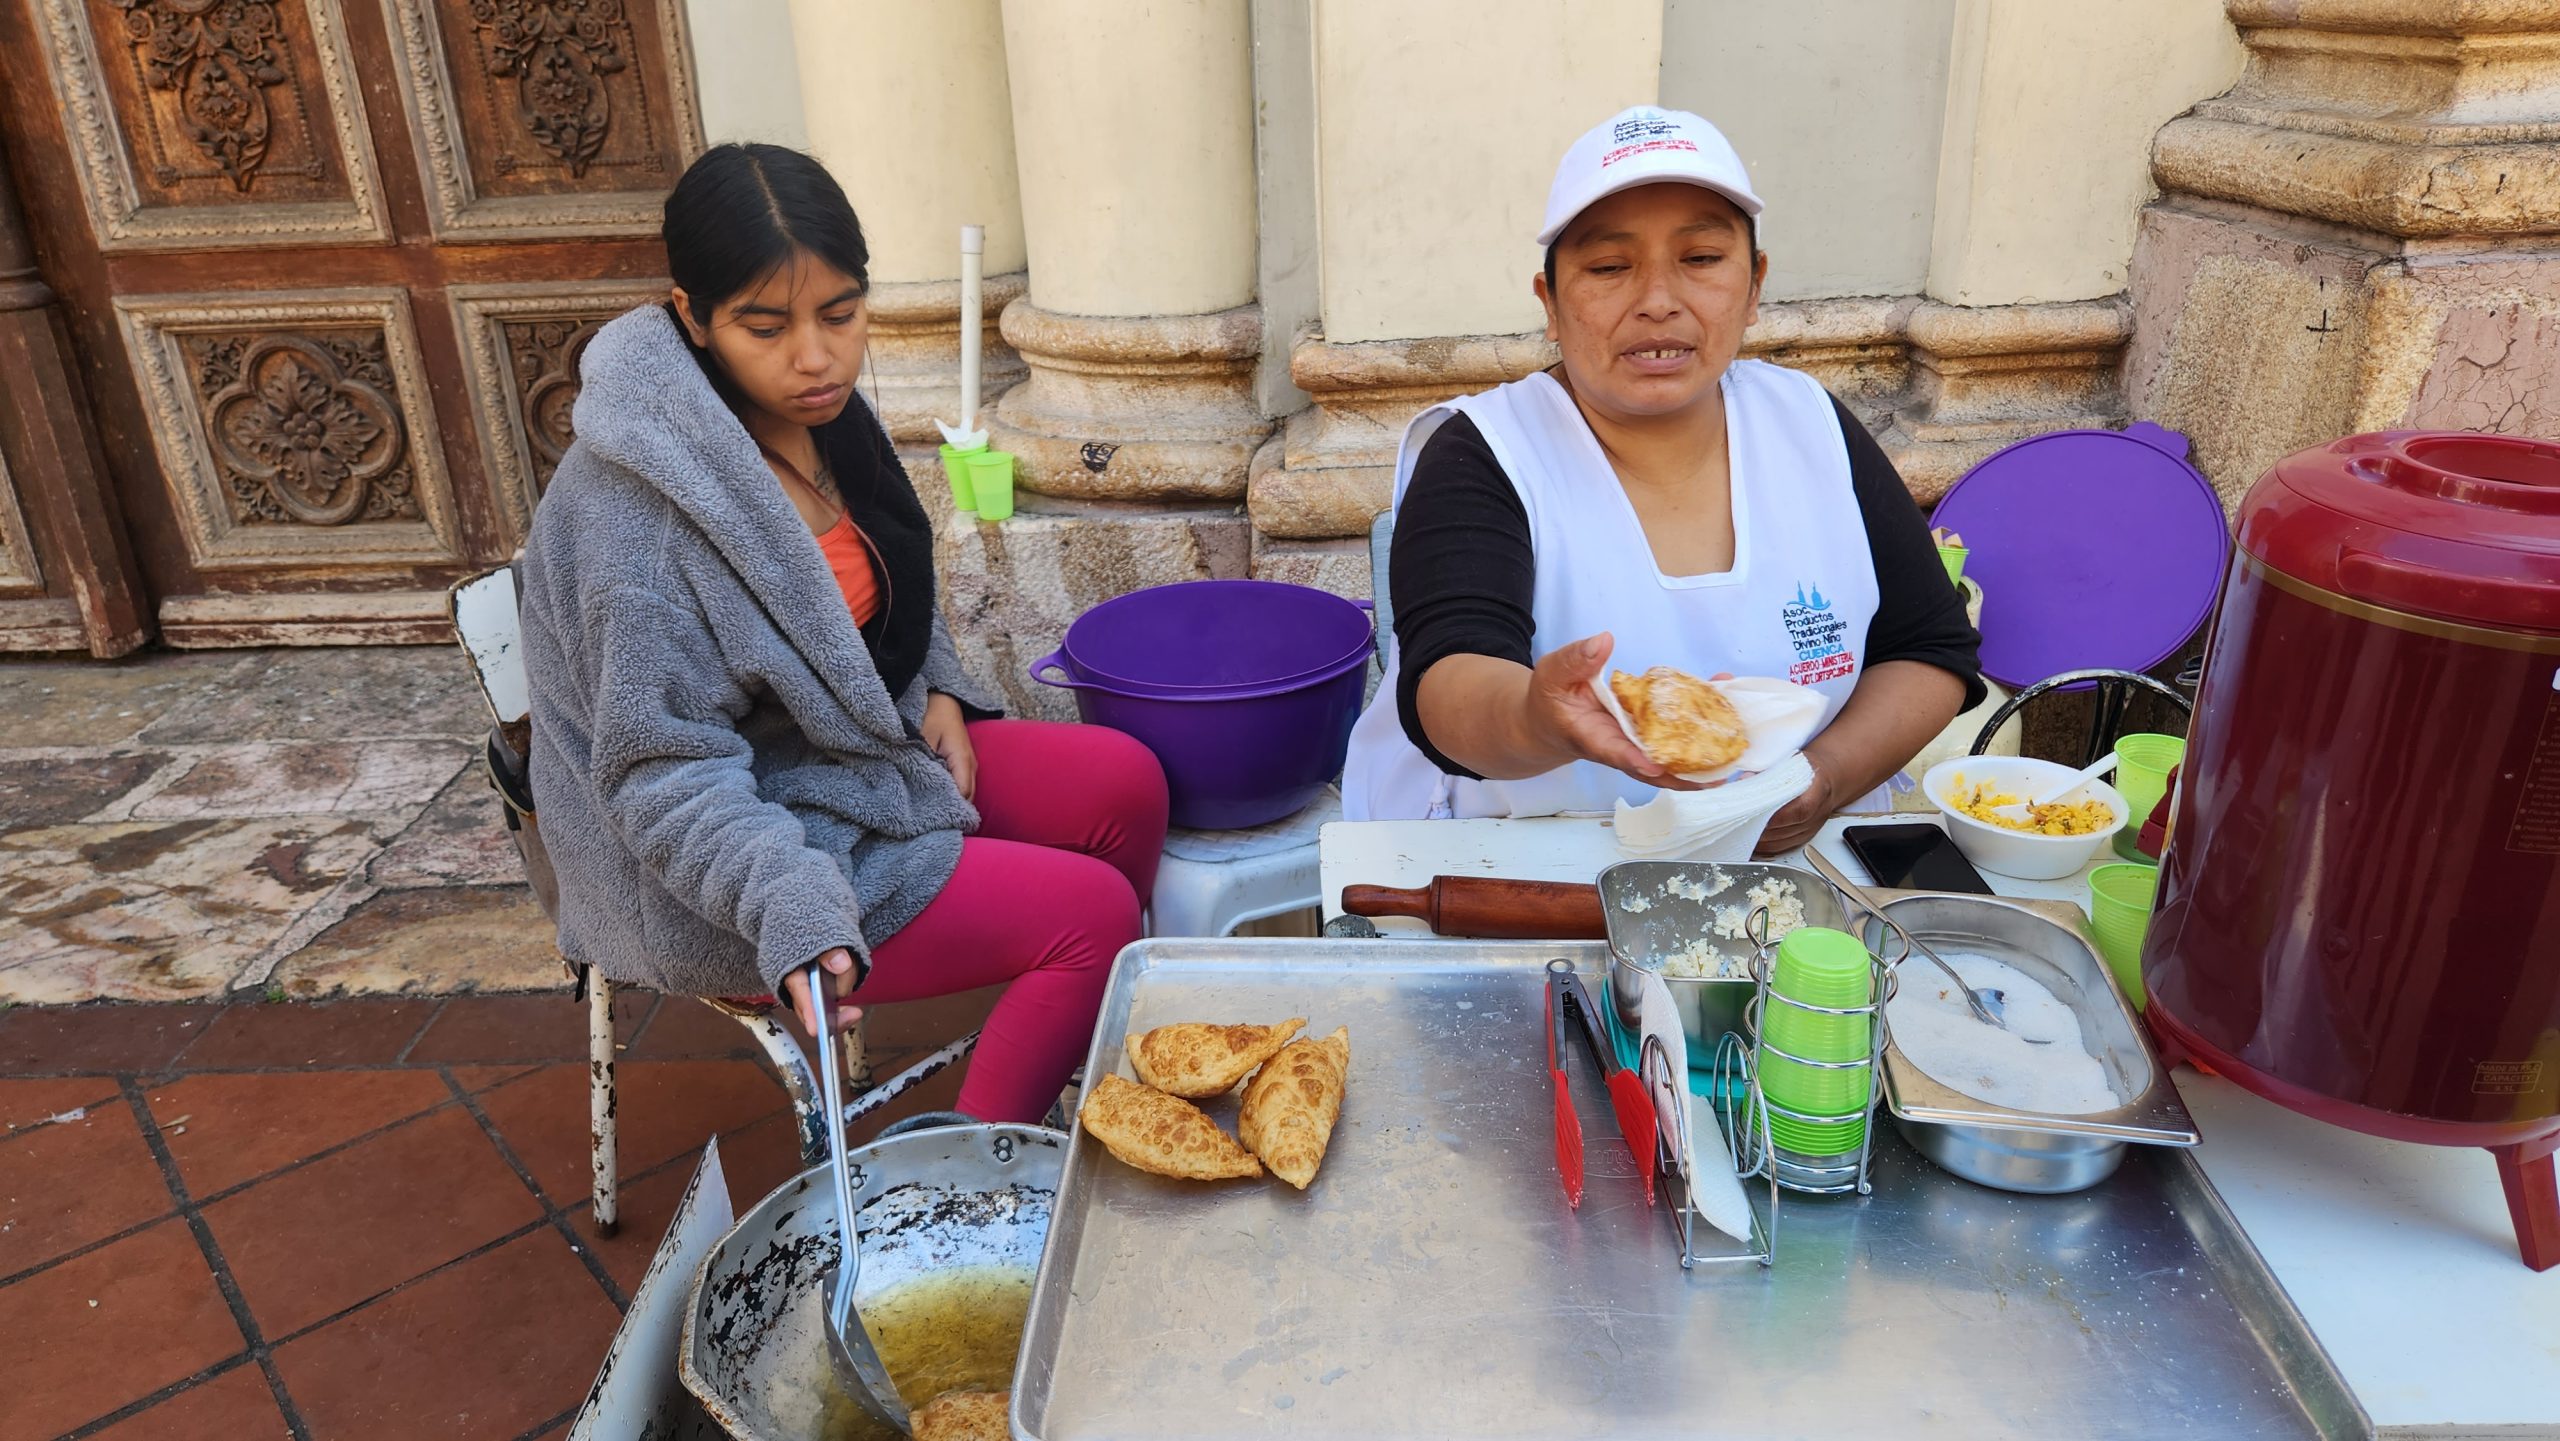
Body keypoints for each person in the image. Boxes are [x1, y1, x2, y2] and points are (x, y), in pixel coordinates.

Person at [518, 143, 1167, 1124]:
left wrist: (939, 687)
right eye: (764, 325)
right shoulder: (637, 529)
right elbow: (659, 779)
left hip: (847, 755)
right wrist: (789, 903)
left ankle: (1073, 1052)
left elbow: (887, 589)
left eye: (841, 313)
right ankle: (969, 1197)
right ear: (692, 317)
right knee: (1090, 918)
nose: (815, 357)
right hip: (733, 854)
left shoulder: (813, 413)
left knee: (1125, 780)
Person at [1342, 107, 1983, 853]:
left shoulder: (1807, 424)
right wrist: (1537, 719)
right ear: (1551, 302)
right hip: (1519, 868)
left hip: (1777, 871)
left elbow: (1930, 648)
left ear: (1754, 286)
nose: (1657, 299)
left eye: (1703, 258)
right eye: (1610, 267)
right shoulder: (1485, 452)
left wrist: (1823, 780)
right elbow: (1448, 679)